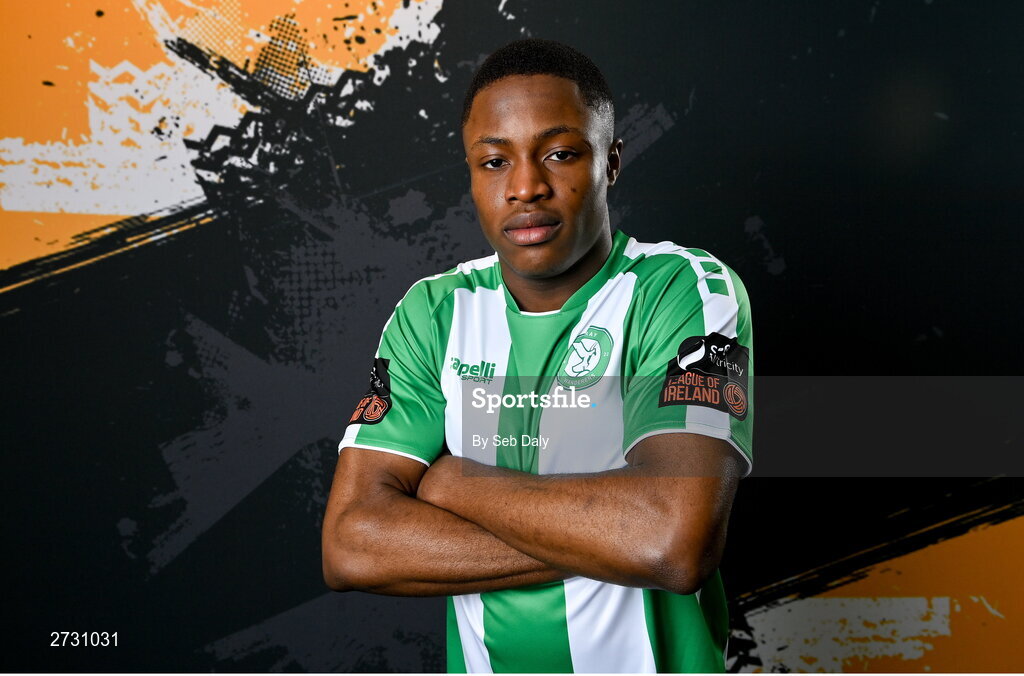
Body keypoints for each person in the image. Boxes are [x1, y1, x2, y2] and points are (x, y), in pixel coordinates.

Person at [322, 38, 753, 673]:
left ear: (610, 161)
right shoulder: (434, 312)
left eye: (559, 154)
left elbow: (673, 541)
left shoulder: (683, 289)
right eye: (494, 162)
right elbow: (352, 545)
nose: (526, 187)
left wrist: (451, 482)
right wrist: (610, 536)